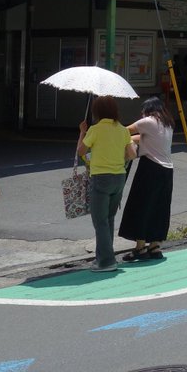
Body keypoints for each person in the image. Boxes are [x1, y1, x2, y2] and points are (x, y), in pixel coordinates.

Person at [76, 95, 136, 272]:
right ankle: (103, 258)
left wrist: (82, 132)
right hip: (119, 178)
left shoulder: (95, 129)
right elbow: (132, 153)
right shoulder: (122, 130)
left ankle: (107, 261)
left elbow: (81, 150)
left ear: (97, 112)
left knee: (100, 221)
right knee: (109, 219)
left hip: (101, 177)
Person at [118, 97, 174, 261]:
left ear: (148, 109)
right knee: (159, 208)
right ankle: (155, 246)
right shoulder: (167, 123)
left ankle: (140, 247)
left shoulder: (148, 121)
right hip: (167, 171)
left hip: (150, 168)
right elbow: (144, 139)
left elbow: (124, 132)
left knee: (140, 206)